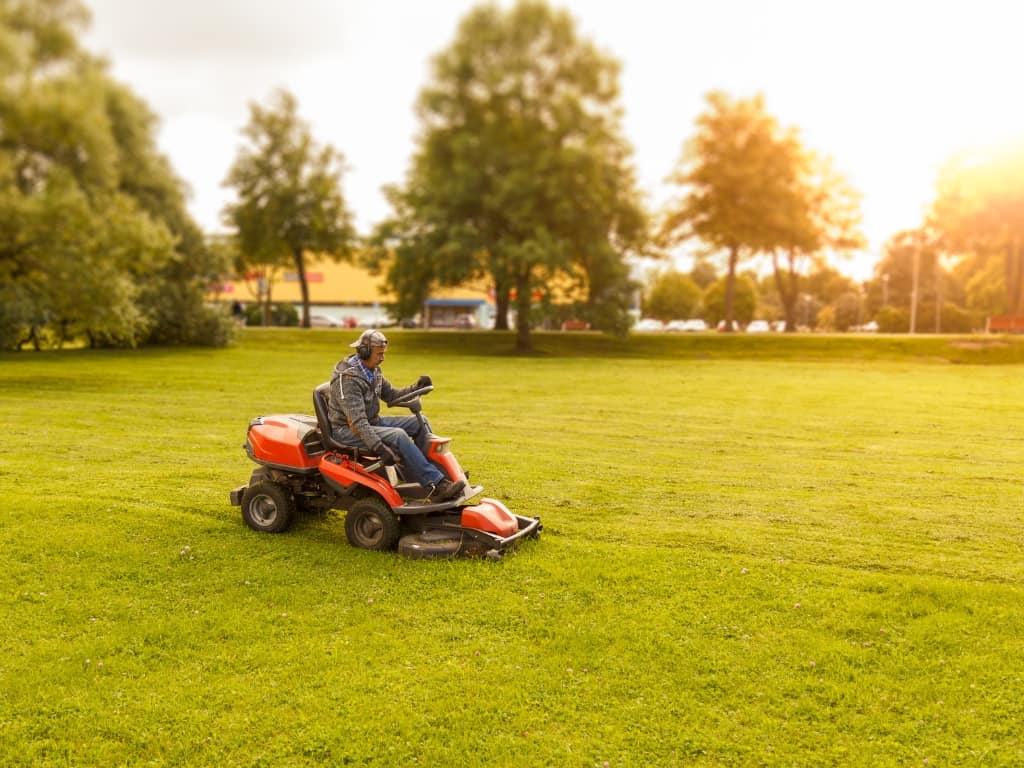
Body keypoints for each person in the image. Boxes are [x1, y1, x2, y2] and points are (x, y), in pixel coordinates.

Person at [327, 329, 466, 501]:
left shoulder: (373, 371)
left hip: (371, 422)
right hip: (346, 431)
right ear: (365, 352)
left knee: (420, 421)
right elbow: (358, 424)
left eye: (383, 353)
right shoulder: (348, 380)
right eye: (379, 354)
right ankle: (435, 487)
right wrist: (380, 448)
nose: (382, 358)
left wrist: (416, 387)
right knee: (398, 435)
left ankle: (440, 477)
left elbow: (391, 395)